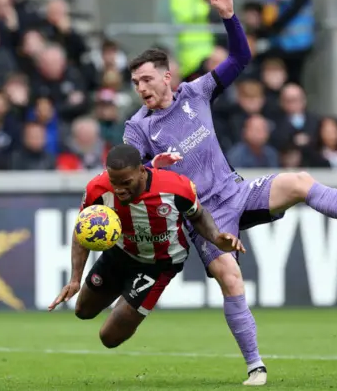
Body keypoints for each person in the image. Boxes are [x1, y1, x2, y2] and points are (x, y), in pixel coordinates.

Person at [122, 0, 337, 387]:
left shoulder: (197, 92)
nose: (141, 89)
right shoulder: (137, 129)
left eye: (147, 80)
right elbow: (129, 178)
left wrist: (228, 16)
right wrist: (156, 167)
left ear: (167, 77)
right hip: (203, 216)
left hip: (237, 192)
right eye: (136, 83)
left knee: (299, 181)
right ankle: (255, 366)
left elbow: (241, 57)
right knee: (230, 277)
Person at [48, 144, 243, 349]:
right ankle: (132, 306)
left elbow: (198, 215)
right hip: (120, 253)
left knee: (109, 338)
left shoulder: (177, 187)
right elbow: (82, 230)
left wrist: (215, 236)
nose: (120, 190)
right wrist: (75, 279)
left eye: (126, 182)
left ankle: (134, 311)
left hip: (159, 263)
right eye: (114, 183)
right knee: (83, 311)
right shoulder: (97, 189)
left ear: (142, 171)